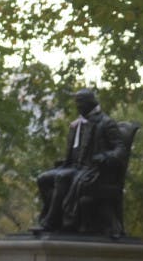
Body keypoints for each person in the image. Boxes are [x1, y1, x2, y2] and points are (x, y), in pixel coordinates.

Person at [35, 88, 127, 234]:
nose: (77, 106)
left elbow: (121, 149)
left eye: (80, 102)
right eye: (76, 102)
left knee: (61, 177)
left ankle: (50, 222)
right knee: (43, 179)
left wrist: (105, 157)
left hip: (92, 171)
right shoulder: (78, 124)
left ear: (90, 103)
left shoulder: (106, 123)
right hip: (74, 167)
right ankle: (57, 218)